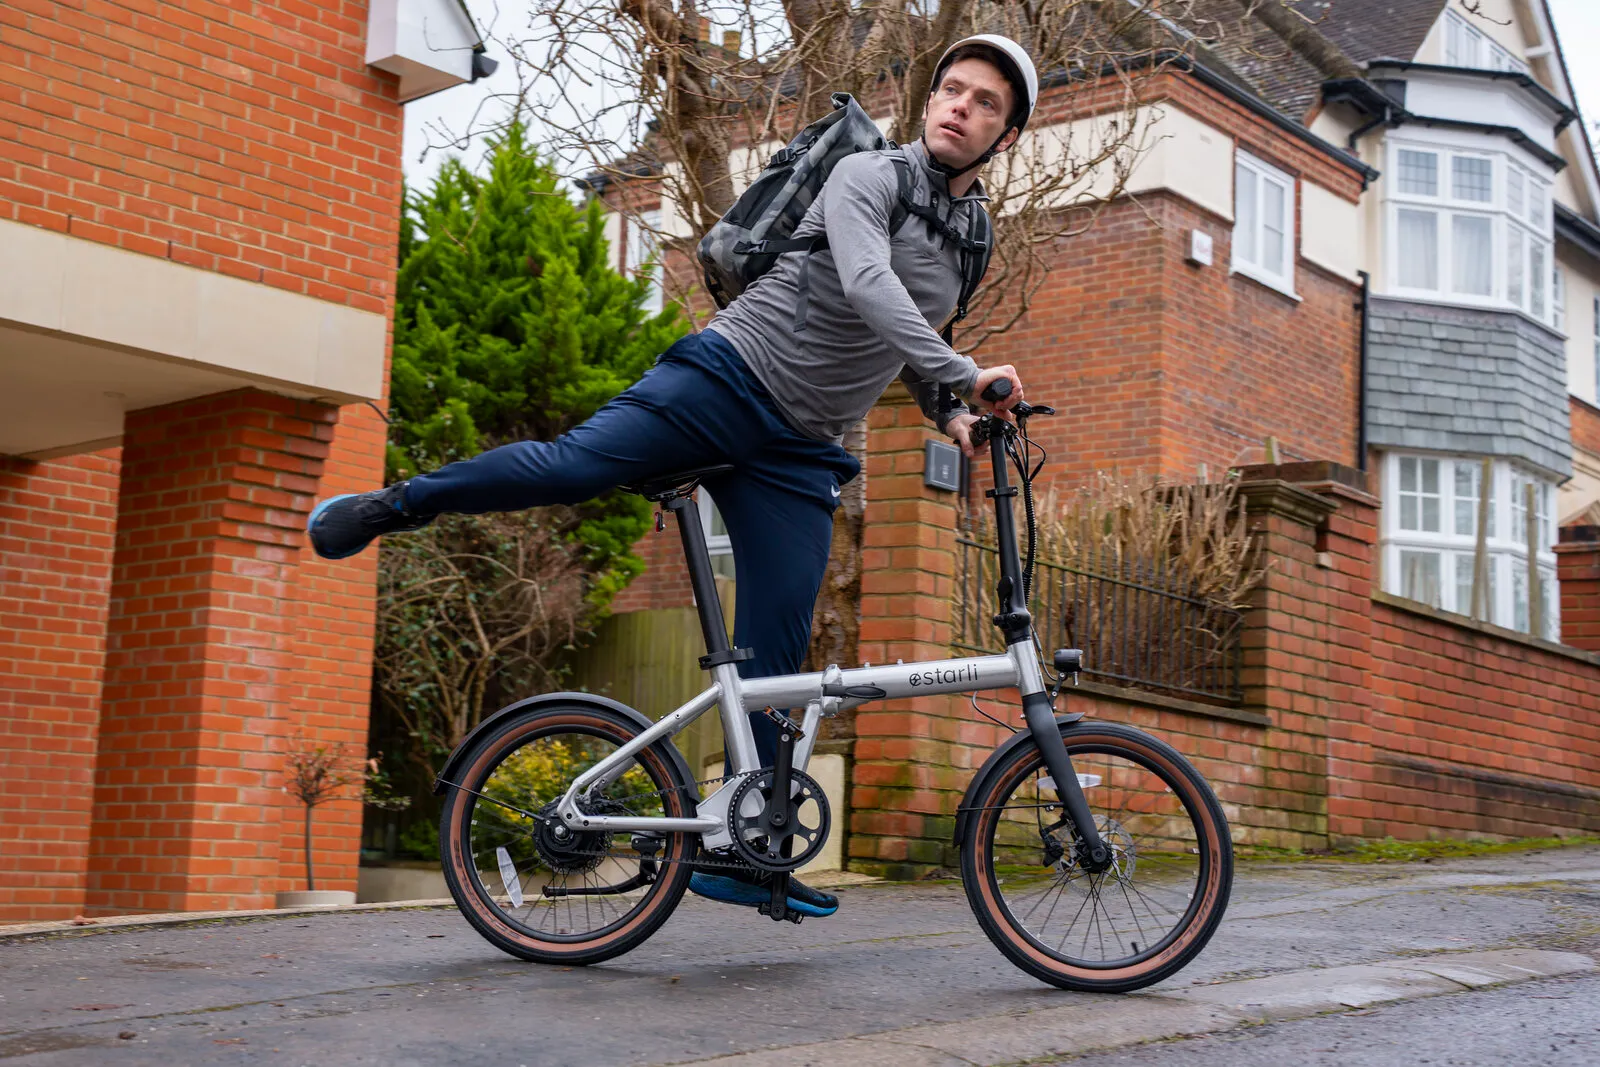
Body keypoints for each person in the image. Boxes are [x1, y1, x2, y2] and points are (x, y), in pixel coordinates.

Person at [308, 34, 1039, 919]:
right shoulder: (870, 177)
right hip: (726, 381)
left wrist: (955, 414)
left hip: (803, 448)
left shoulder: (974, 236)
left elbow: (912, 335)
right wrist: (966, 369)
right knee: (571, 466)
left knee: (779, 646)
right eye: (951, 90)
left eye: (984, 102)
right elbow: (868, 283)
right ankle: (395, 503)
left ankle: (747, 848)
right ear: (929, 104)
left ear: (1006, 134)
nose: (960, 107)